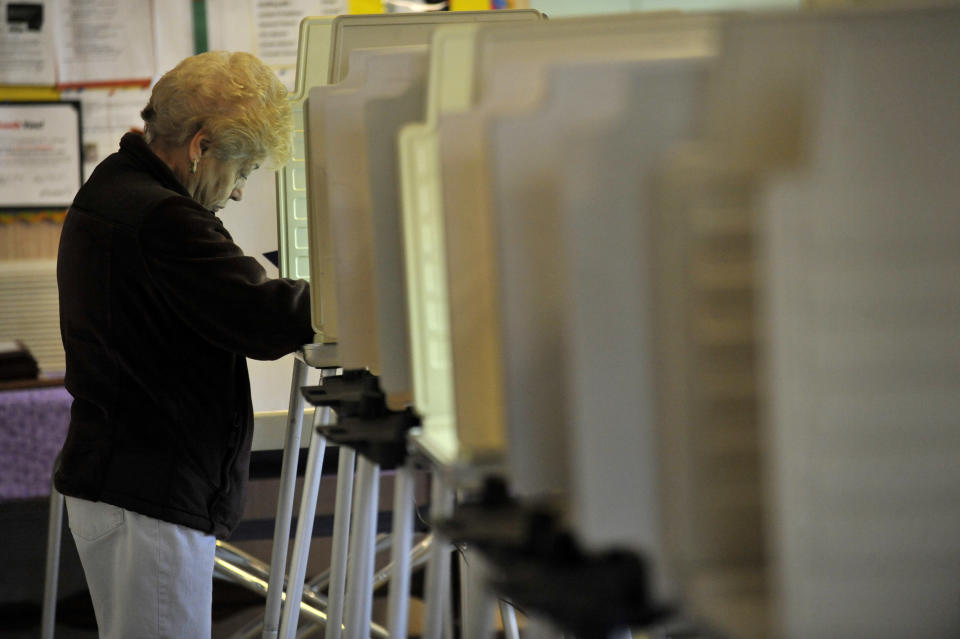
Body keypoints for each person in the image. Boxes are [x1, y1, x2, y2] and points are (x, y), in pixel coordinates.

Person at [54, 51, 314, 639]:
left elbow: (213, 291)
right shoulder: (161, 215)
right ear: (200, 146)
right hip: (149, 489)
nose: (241, 191)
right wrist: (356, 289)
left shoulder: (117, 188)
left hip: (124, 480)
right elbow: (258, 318)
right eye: (242, 170)